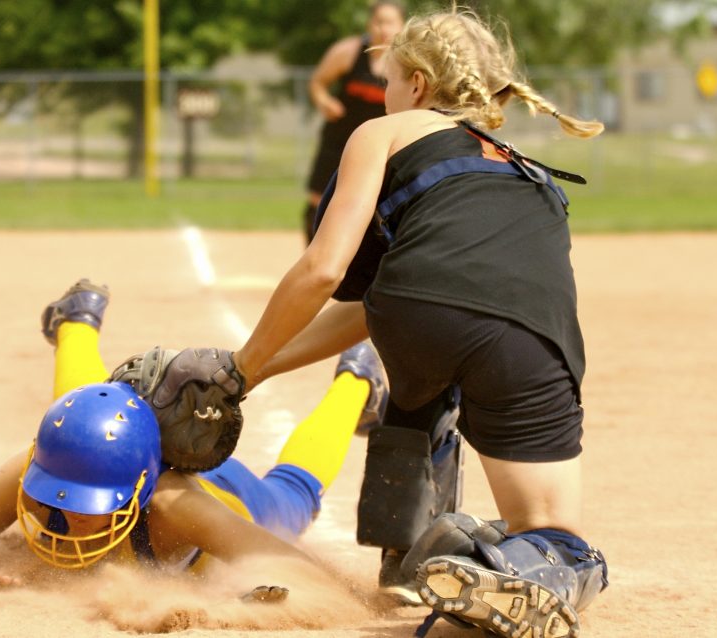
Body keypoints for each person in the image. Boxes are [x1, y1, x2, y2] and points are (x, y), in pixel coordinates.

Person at [144, 7, 610, 638]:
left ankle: (418, 551)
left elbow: (333, 275)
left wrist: (242, 368)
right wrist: (249, 370)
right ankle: (525, 567)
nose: (386, 93)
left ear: (417, 83)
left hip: (416, 323)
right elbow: (413, 295)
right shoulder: (526, 169)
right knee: (556, 537)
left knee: (423, 373)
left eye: (389, 79)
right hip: (533, 336)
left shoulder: (384, 132)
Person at [0, 279, 387, 592]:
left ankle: (357, 378)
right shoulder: (44, 465)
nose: (65, 515)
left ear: (137, 494)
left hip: (236, 498)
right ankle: (76, 322)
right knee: (84, 412)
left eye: (87, 505)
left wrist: (255, 599)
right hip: (119, 448)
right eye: (59, 497)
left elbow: (301, 575)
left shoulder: (175, 508)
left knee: (294, 494)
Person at [302, 0, 406, 243]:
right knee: (318, 201)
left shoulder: (405, 62)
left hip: (380, 148)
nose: (383, 28)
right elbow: (317, 83)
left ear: (402, 26)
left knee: (371, 206)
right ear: (369, 24)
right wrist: (324, 101)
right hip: (339, 140)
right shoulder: (348, 52)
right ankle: (313, 253)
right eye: (378, 22)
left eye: (390, 22)